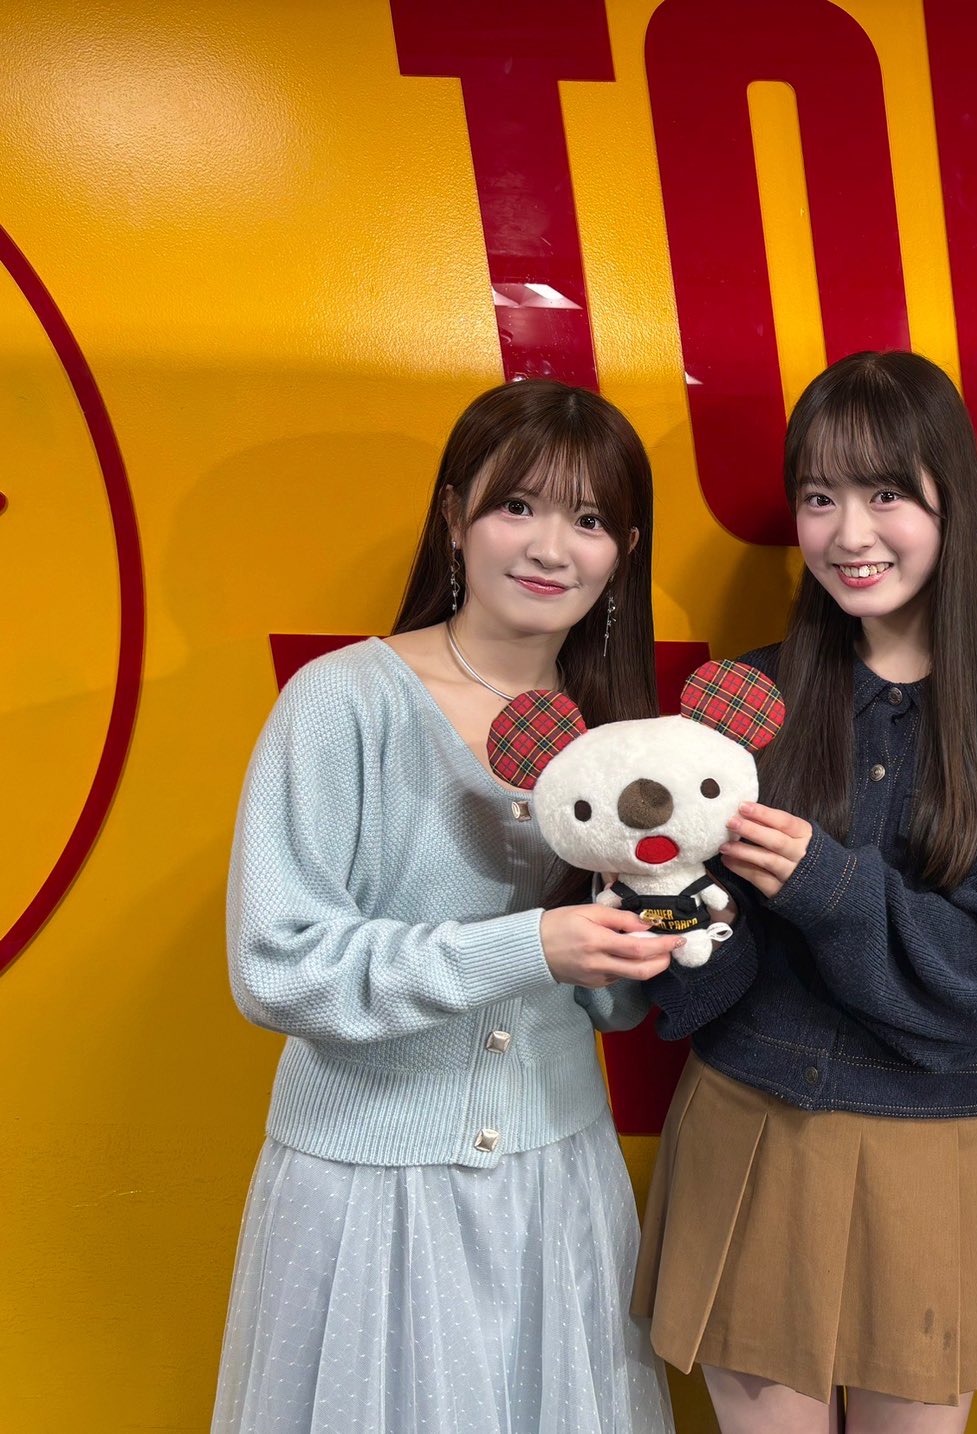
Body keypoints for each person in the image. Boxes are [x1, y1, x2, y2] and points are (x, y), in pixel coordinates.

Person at [630, 350, 977, 1433]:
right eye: (820, 498)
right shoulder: (744, 700)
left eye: (886, 493)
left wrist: (827, 885)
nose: (850, 534)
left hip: (935, 1149)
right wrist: (658, 902)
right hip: (751, 1127)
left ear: (954, 498)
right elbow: (690, 981)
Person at [212, 378, 676, 1433]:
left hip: (557, 1178)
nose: (550, 547)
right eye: (518, 506)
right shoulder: (342, 702)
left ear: (623, 552)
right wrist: (532, 945)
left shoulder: (617, 735)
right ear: (455, 516)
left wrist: (649, 935)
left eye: (588, 520)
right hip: (370, 1190)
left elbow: (609, 1006)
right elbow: (277, 964)